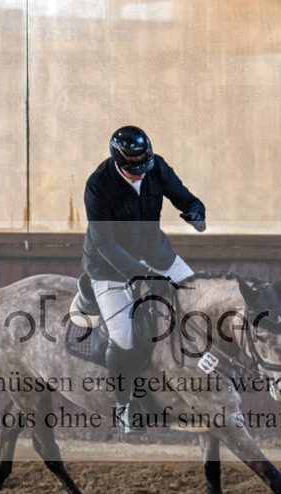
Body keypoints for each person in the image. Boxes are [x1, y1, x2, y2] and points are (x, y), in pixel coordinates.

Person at [82, 125, 207, 433]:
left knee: (200, 304)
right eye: (132, 170)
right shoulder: (98, 185)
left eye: (144, 169)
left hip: (156, 253)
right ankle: (124, 405)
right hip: (109, 267)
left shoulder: (157, 167)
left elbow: (184, 197)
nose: (139, 174)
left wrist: (195, 211)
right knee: (124, 338)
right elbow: (105, 244)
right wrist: (144, 276)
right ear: (117, 161)